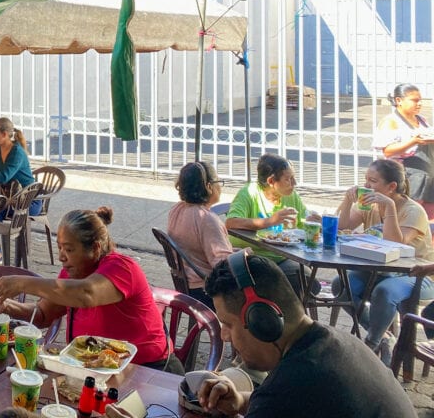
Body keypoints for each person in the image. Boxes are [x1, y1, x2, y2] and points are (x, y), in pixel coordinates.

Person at [194, 251, 415, 418]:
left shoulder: (287, 387)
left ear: (262, 321)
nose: (224, 335)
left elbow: (284, 399)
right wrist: (241, 401)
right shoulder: (334, 341)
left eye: (228, 324)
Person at [0, 207, 180, 372]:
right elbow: (43, 314)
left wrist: (22, 283)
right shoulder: (71, 273)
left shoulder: (122, 268)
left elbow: (86, 294)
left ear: (95, 248)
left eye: (69, 250)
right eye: (60, 248)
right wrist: (5, 307)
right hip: (96, 371)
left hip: (149, 370)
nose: (62, 257)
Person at [335, 157, 434, 362]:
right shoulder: (369, 205)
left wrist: (389, 207)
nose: (366, 185)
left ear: (391, 187)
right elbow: (341, 227)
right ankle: (382, 335)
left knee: (385, 291)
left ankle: (372, 343)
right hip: (379, 271)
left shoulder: (413, 211)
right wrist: (347, 200)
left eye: (372, 181)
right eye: (365, 179)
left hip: (417, 275)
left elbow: (395, 243)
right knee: (341, 285)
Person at [224, 153, 314, 292]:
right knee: (300, 281)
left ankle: (286, 312)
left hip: (282, 257)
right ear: (271, 181)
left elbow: (303, 222)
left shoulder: (291, 196)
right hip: (252, 258)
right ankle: (281, 312)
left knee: (306, 279)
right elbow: (231, 222)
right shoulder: (249, 193)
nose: (294, 183)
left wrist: (313, 222)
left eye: (293, 178)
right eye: (288, 179)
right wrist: (270, 221)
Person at [167, 161, 233, 308]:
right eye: (218, 182)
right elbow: (222, 265)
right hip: (205, 290)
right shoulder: (207, 219)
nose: (220, 187)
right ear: (209, 187)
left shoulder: (176, 209)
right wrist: (246, 254)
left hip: (186, 285)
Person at [374, 83, 434, 217]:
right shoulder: (391, 122)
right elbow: (388, 151)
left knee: (429, 217)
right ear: (398, 100)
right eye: (414, 100)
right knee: (410, 215)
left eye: (420, 101)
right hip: (410, 176)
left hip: (428, 175)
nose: (419, 104)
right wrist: (413, 141)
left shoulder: (421, 120)